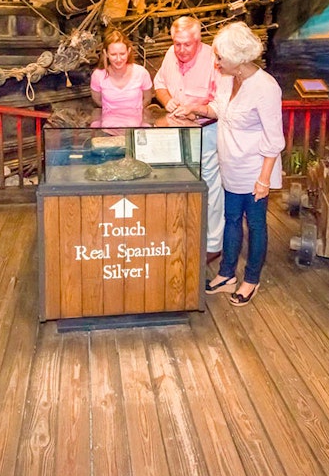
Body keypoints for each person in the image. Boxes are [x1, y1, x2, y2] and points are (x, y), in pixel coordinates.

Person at [197, 22, 284, 306]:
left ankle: (251, 279)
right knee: (231, 219)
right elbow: (218, 109)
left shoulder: (266, 87)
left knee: (256, 224)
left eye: (221, 57)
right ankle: (226, 274)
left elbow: (274, 139)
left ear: (239, 58)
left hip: (255, 169)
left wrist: (264, 179)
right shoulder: (226, 79)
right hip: (231, 164)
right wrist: (193, 108)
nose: (217, 62)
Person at [154, 16, 223, 262]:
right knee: (178, 182)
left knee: (210, 186)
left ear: (198, 40)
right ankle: (179, 236)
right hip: (176, 131)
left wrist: (196, 107)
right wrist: (166, 100)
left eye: (187, 45)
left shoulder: (214, 60)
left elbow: (221, 101)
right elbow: (159, 84)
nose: (181, 50)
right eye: (177, 44)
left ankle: (213, 243)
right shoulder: (169, 56)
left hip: (207, 131)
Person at [90, 29, 153, 127]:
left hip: (135, 127)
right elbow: (97, 101)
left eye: (122, 54)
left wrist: (134, 113)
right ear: (106, 53)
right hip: (108, 129)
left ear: (128, 51)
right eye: (113, 54)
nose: (119, 59)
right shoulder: (98, 75)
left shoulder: (141, 73)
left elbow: (147, 99)